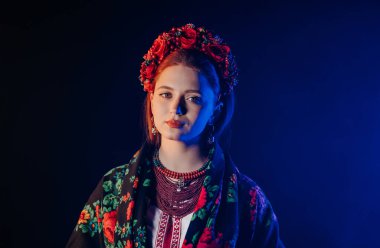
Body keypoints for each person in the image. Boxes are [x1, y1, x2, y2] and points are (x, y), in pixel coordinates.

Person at [66, 23, 284, 248]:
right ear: (151, 99)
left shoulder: (247, 200)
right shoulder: (113, 188)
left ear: (215, 109)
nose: (176, 109)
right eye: (166, 94)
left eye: (193, 98)